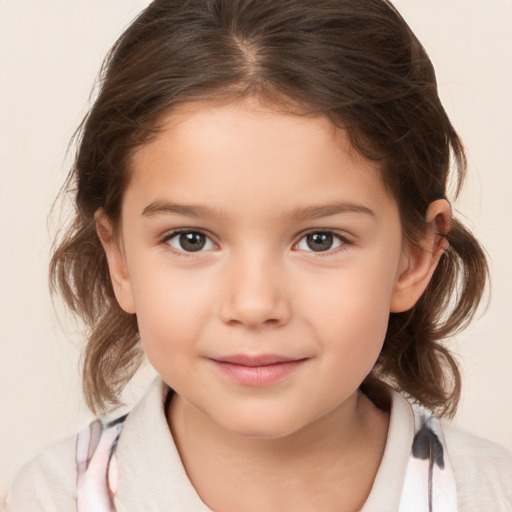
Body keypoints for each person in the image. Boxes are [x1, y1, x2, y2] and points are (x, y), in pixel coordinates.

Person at [5, 0, 512, 510]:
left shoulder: (493, 494)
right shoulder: (49, 498)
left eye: (320, 239)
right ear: (119, 258)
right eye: (191, 239)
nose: (253, 305)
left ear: (415, 255)